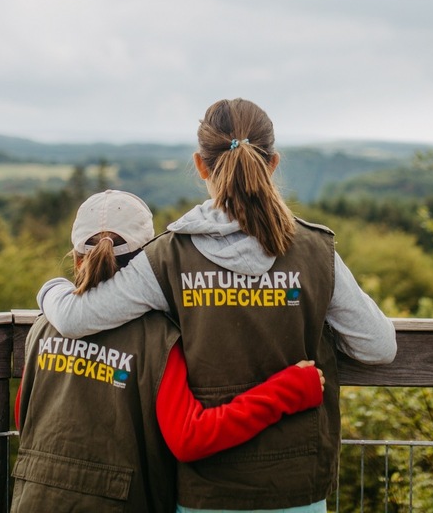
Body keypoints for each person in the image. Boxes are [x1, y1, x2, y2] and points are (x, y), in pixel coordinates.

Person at [38, 99, 398, 513]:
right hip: (298, 480)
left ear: (201, 165)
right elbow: (379, 346)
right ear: (273, 163)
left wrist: (50, 288)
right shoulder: (316, 251)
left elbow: (72, 318)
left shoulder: (170, 258)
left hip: (207, 486)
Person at [12, 189, 326, 513]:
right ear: (146, 258)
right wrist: (288, 390)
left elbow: (25, 416)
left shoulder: (45, 327)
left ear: (77, 258)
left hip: (33, 499)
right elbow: (189, 437)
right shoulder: (158, 337)